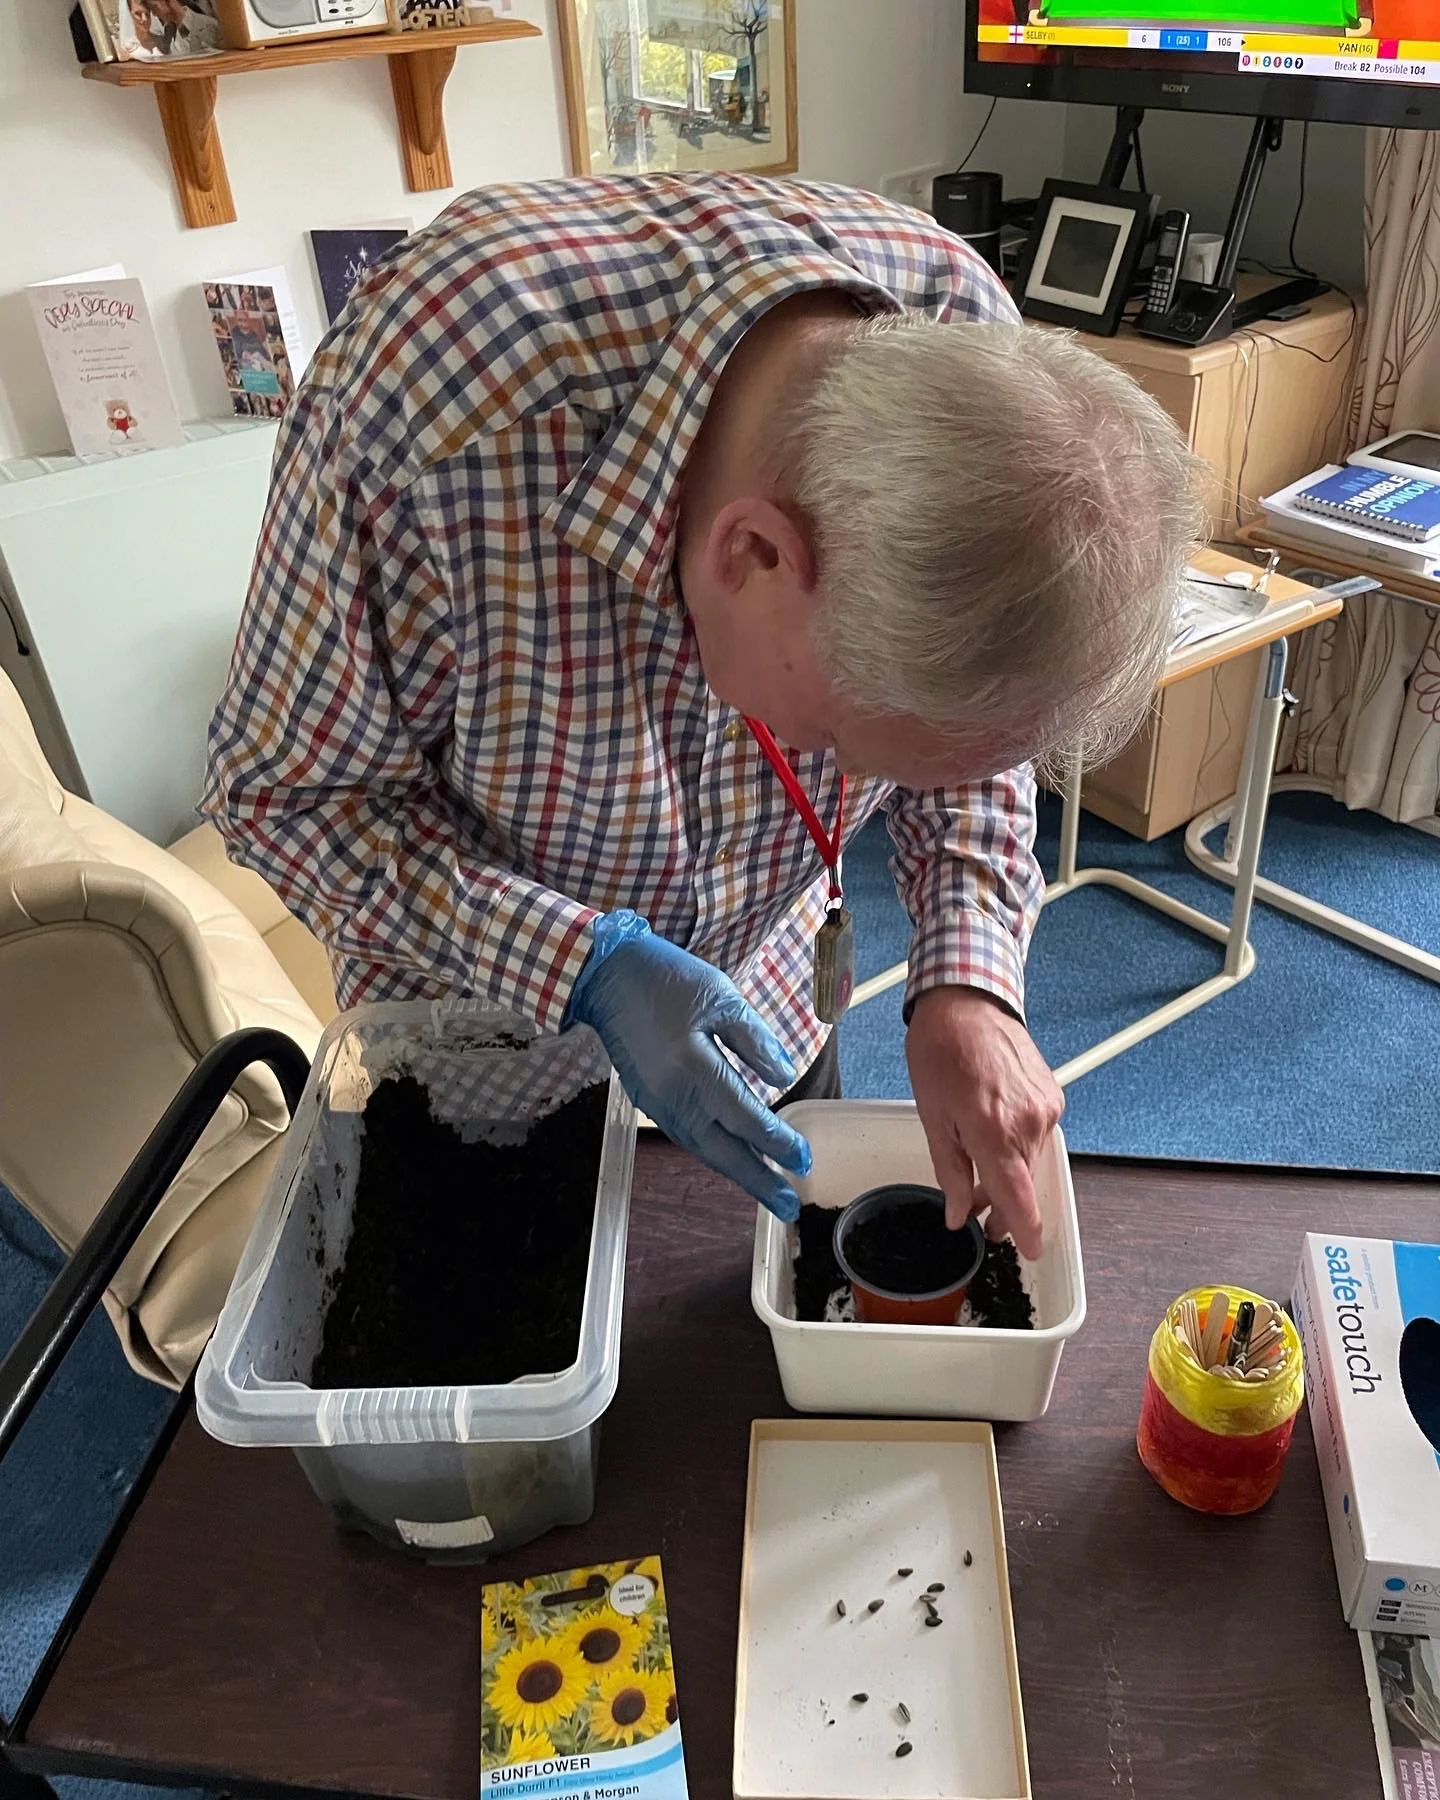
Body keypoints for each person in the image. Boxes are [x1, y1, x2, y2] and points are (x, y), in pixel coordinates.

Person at [203, 174, 1201, 1260]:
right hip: (478, 1044)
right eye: (839, 746)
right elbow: (281, 799)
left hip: (770, 1004)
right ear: (753, 553)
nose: (850, 780)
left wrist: (967, 976)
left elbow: (967, 740)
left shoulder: (972, 350)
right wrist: (582, 961)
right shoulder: (428, 415)